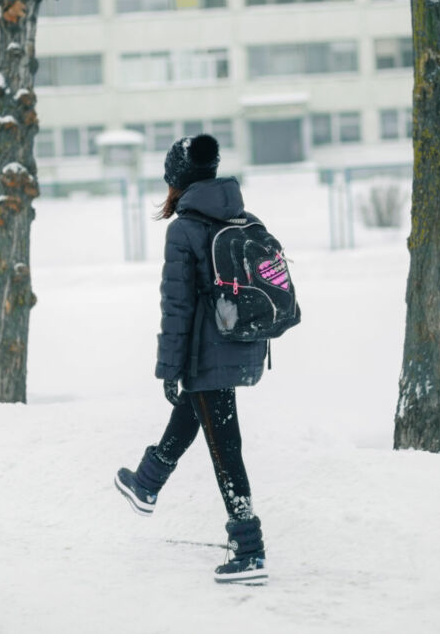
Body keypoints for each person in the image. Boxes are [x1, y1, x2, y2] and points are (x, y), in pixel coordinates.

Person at [114, 133, 269, 585]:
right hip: (242, 343)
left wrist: (170, 368)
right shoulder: (241, 215)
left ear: (178, 180)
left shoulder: (184, 229)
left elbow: (177, 307)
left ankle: (249, 547)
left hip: (206, 352)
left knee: (225, 447)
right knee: (199, 409)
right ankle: (147, 482)